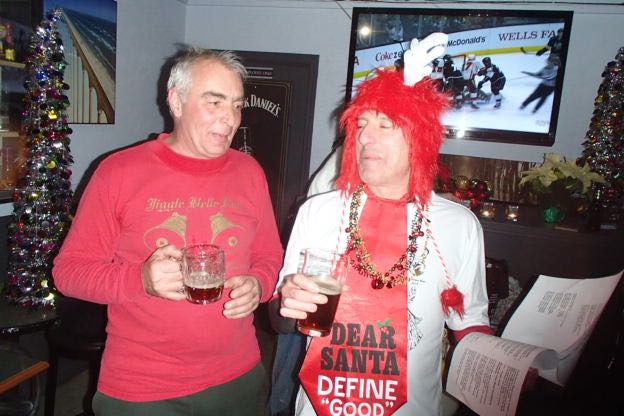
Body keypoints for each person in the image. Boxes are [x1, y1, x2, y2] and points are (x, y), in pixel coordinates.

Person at [52, 47, 284, 415]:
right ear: (176, 101)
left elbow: (270, 257)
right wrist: (140, 279)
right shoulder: (118, 172)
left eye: (237, 105)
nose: (230, 118)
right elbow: (68, 273)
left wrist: (259, 284)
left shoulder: (249, 172)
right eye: (215, 102)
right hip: (143, 387)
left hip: (238, 377)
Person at [271, 36, 491, 416]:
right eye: (361, 124)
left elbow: (469, 324)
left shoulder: (459, 225)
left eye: (385, 125)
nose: (364, 137)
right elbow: (278, 319)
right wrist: (286, 304)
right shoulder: (317, 212)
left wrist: (506, 367)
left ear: (419, 139)